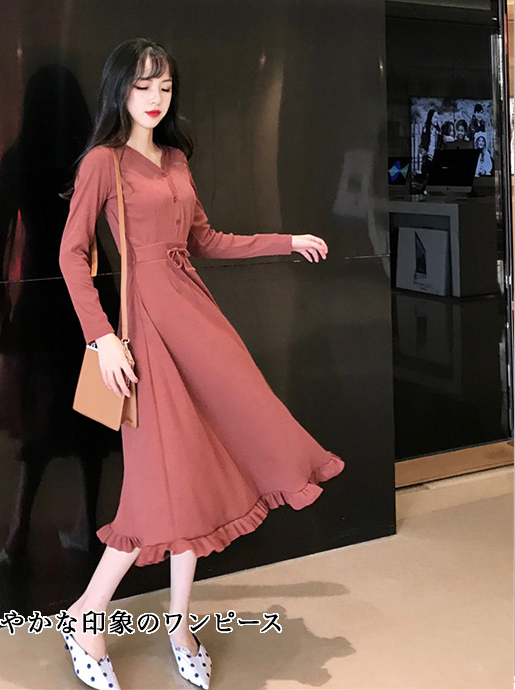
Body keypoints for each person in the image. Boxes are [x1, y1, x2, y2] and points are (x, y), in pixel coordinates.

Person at [57, 37, 345, 690]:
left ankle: (179, 623)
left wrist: (285, 241)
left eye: (164, 86)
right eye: (142, 85)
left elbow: (206, 240)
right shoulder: (103, 162)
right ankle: (85, 617)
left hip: (198, 323)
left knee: (202, 472)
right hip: (143, 335)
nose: (155, 98)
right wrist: (102, 338)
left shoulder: (176, 158)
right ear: (119, 89)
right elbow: (71, 255)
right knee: (158, 488)